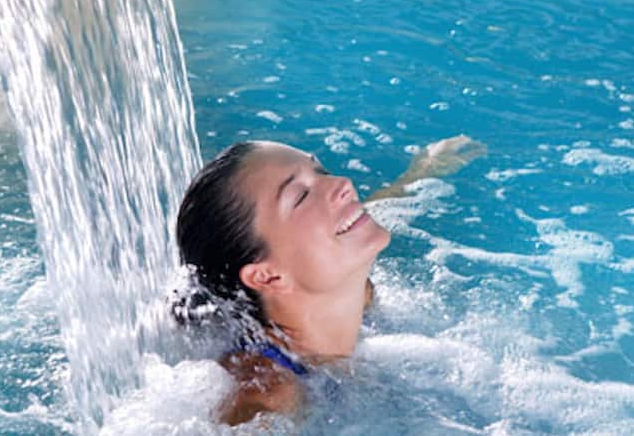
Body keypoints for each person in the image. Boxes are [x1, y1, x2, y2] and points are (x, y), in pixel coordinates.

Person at [175, 135, 486, 425]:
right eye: (301, 196)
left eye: (320, 171)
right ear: (267, 275)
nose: (343, 183)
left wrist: (420, 172)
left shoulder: (357, 293)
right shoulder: (268, 392)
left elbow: (356, 216)